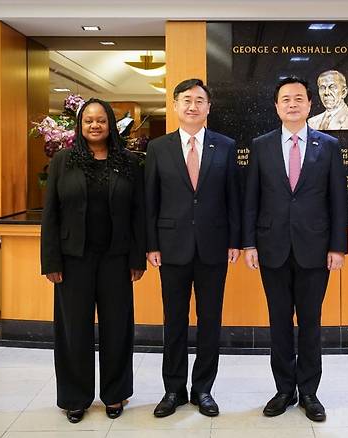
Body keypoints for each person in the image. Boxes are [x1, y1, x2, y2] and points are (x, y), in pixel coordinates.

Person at [243, 76, 348, 422]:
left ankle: (309, 392)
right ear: (276, 106)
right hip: (271, 247)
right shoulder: (261, 145)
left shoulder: (328, 146)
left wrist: (337, 247)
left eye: (298, 98)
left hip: (315, 249)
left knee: (311, 322)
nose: (292, 103)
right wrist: (249, 243)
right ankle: (284, 389)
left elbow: (338, 200)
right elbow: (251, 199)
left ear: (309, 104)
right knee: (279, 323)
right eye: (285, 99)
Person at [41, 98, 146, 423]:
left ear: (110, 124)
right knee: (73, 330)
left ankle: (115, 394)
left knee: (118, 329)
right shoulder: (63, 161)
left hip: (116, 259)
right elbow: (51, 215)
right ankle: (76, 397)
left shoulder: (128, 162)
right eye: (89, 120)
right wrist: (51, 261)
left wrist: (136, 257)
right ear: (80, 124)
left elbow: (137, 214)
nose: (95, 125)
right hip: (73, 260)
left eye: (101, 120)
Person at [145, 78, 241, 418]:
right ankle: (173, 390)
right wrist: (151, 243)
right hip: (171, 247)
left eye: (199, 100)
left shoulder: (225, 146)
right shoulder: (158, 148)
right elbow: (150, 200)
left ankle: (203, 389)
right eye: (186, 100)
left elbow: (234, 197)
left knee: (210, 321)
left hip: (214, 247)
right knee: (174, 321)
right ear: (175, 105)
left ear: (208, 107)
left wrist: (234, 239)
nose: (192, 106)